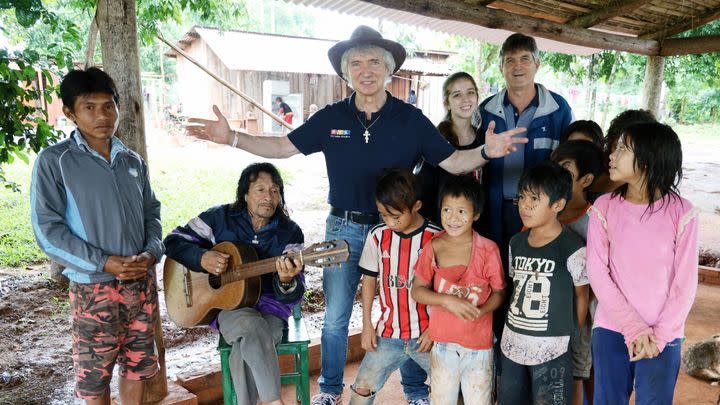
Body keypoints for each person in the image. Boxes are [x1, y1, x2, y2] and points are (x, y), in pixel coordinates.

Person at [185, 25, 526, 405]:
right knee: (336, 317)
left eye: (375, 62)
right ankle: (330, 390)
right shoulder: (333, 117)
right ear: (346, 71)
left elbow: (453, 161)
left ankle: (415, 391)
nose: (367, 69)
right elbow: (282, 146)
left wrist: (485, 152)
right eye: (358, 62)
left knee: (413, 307)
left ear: (389, 69)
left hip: (401, 231)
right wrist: (233, 138)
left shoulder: (410, 120)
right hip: (343, 228)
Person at [30, 67, 163, 405]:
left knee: (137, 368)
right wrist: (104, 262)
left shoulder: (131, 160)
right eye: (89, 107)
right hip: (94, 290)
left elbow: (152, 213)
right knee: (95, 379)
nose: (102, 115)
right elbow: (48, 231)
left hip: (140, 283)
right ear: (70, 112)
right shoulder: (55, 162)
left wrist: (151, 252)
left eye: (109, 105)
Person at [163, 162, 305, 405]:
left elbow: (295, 293)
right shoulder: (220, 218)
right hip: (228, 307)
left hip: (271, 306)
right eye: (260, 189)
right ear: (245, 195)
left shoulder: (289, 232)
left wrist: (286, 280)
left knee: (248, 342)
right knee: (251, 326)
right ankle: (273, 401)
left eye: (274, 190)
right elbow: (173, 241)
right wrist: (202, 258)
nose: (268, 197)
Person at [471, 33, 574, 365]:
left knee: (529, 279)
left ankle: (531, 352)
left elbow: (564, 165)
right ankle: (499, 353)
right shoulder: (485, 109)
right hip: (494, 212)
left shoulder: (558, 109)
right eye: (510, 60)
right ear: (501, 66)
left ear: (537, 63)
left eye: (524, 59)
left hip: (537, 217)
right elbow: (472, 158)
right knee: (496, 276)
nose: (517, 67)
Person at [587, 122, 699, 405]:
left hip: (664, 334)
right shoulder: (604, 207)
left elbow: (684, 285)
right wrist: (634, 328)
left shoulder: (683, 212)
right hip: (612, 329)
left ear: (648, 159)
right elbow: (598, 273)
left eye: (622, 149)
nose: (611, 155)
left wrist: (659, 336)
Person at [498, 162, 589, 405]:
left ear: (558, 205)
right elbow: (514, 285)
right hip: (512, 343)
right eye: (522, 197)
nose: (525, 205)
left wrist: (573, 333)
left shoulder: (573, 248)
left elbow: (582, 295)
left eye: (534, 199)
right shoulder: (515, 242)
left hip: (553, 347)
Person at [412, 176, 506, 405]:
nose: (453, 218)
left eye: (462, 211)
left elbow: (499, 293)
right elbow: (417, 291)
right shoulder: (434, 246)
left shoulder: (488, 249)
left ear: (476, 214)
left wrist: (482, 311)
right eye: (447, 210)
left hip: (479, 347)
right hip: (442, 344)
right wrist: (447, 301)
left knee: (478, 400)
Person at [349, 169, 440, 405]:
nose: (390, 222)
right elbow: (369, 280)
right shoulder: (377, 236)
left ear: (417, 205)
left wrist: (435, 329)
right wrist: (367, 324)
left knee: (451, 389)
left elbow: (444, 290)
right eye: (383, 215)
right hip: (388, 334)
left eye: (396, 216)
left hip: (427, 336)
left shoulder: (437, 239)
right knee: (361, 390)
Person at [550, 141, 604, 405]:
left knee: (576, 374)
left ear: (587, 179)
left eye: (567, 171)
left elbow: (599, 276)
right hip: (546, 315)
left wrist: (577, 315)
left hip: (580, 317)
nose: (557, 177)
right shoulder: (545, 214)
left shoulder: (595, 220)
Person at [416, 72, 482, 225]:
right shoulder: (436, 141)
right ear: (447, 103)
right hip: (443, 229)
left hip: (476, 229)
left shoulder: (484, 140)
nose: (465, 99)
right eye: (457, 95)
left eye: (470, 93)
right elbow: (424, 194)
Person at [592, 109, 656, 195]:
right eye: (616, 147)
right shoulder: (596, 170)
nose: (613, 156)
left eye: (622, 148)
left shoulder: (659, 197)